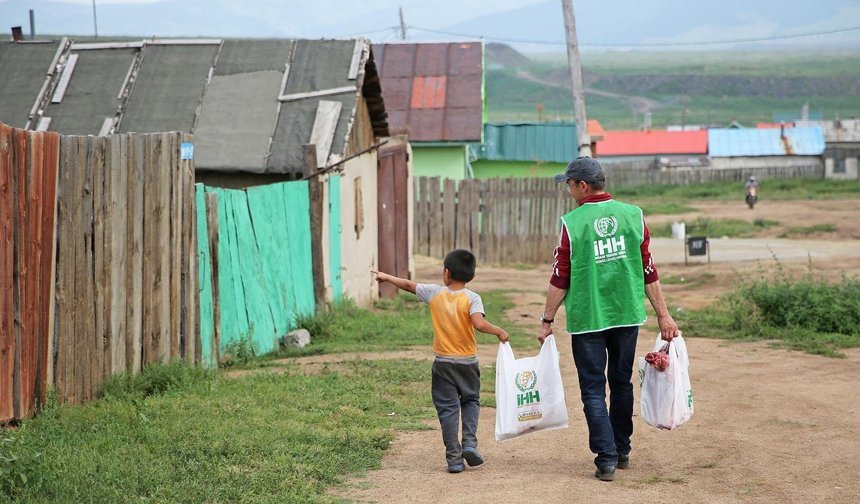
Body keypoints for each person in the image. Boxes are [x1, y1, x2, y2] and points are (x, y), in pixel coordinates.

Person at [536, 156, 680, 482]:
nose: (569, 190)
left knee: (592, 388)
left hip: (589, 319)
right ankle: (622, 448)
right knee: (620, 381)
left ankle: (606, 458)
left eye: (570, 185)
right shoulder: (633, 215)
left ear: (583, 186)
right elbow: (648, 269)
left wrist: (547, 320)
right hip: (627, 314)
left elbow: (561, 276)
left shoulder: (573, 223)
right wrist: (663, 315)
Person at [371, 249, 509, 474]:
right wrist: (500, 332)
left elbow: (407, 284)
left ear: (446, 273)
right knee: (471, 401)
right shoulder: (472, 298)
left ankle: (454, 459)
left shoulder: (434, 293)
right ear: (471, 276)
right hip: (468, 363)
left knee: (448, 409)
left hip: (443, 364)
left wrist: (386, 277)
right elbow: (479, 324)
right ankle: (470, 444)